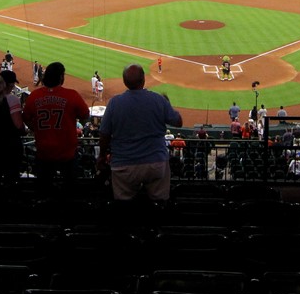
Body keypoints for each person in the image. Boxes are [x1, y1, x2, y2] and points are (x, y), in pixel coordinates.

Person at [97, 63, 183, 206]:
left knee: (123, 205)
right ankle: (156, 227)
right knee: (160, 203)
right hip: (155, 163)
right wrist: (167, 104)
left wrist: (101, 157)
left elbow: (104, 134)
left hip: (123, 165)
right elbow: (178, 121)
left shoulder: (114, 103)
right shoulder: (158, 100)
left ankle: (128, 227)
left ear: (125, 82)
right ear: (143, 80)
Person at [22, 61, 90, 192]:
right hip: (67, 153)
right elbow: (85, 115)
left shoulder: (34, 96)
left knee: (44, 188)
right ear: (61, 77)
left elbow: (25, 118)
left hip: (43, 151)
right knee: (70, 188)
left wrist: (36, 128)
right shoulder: (72, 95)